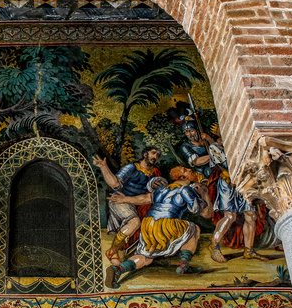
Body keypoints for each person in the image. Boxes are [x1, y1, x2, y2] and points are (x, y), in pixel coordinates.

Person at [105, 166, 212, 288]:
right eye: (187, 171)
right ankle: (183, 265)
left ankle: (118, 270)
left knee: (146, 258)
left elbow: (144, 198)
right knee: (194, 228)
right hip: (168, 224)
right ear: (183, 177)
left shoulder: (161, 190)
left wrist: (125, 199)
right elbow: (206, 213)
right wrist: (204, 193)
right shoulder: (186, 190)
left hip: (149, 225)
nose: (192, 171)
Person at [178, 120, 267, 263]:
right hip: (226, 182)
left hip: (242, 182)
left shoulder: (225, 144)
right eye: (187, 132)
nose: (189, 134)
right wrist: (213, 144)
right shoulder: (212, 147)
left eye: (192, 130)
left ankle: (249, 250)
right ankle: (214, 247)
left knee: (251, 215)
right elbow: (222, 163)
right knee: (230, 216)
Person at [92, 147, 162, 261]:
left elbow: (149, 197)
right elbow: (115, 184)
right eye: (153, 153)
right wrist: (104, 167)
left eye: (157, 155)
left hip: (135, 202)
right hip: (119, 200)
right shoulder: (132, 168)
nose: (155, 157)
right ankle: (112, 251)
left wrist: (127, 199)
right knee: (134, 222)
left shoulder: (155, 173)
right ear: (145, 154)